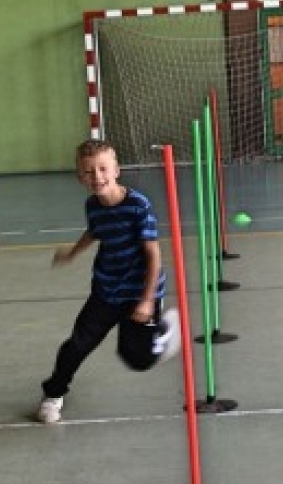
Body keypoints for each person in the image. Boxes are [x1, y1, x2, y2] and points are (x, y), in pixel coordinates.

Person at [37, 138, 180, 423]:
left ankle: (163, 331)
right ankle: (53, 394)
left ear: (116, 170)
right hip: (106, 288)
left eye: (103, 169)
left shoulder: (139, 206)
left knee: (136, 358)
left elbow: (153, 255)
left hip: (140, 290)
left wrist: (147, 300)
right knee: (77, 344)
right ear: (80, 177)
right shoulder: (93, 205)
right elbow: (94, 231)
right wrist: (72, 253)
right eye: (89, 172)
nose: (97, 177)